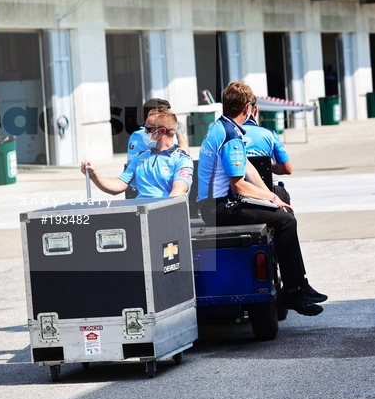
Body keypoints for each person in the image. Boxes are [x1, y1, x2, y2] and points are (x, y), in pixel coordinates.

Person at [197, 81, 326, 316]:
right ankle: (294, 292)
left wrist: (270, 196)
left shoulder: (222, 128)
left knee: (284, 213)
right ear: (248, 107)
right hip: (219, 209)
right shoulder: (230, 137)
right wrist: (272, 199)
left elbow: (247, 168)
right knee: (286, 221)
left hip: (215, 205)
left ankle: (299, 285)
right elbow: (238, 185)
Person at [81, 108, 193, 199]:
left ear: (162, 131)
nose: (144, 133)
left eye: (148, 129)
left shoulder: (182, 159)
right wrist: (94, 175)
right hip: (140, 213)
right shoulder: (141, 157)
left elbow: (179, 191)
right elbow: (118, 185)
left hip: (164, 216)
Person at [242, 102, 293, 204]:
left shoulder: (222, 134)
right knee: (283, 194)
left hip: (231, 195)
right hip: (264, 192)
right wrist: (268, 165)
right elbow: (287, 169)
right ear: (255, 111)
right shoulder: (269, 134)